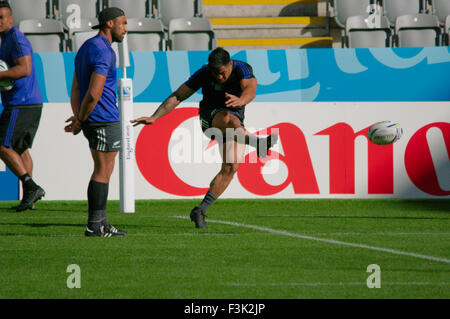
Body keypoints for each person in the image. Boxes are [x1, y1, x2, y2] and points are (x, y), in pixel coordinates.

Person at [132, 47, 278, 229]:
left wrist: (242, 100)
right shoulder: (204, 72)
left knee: (230, 167)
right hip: (210, 121)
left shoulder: (242, 68)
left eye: (222, 73)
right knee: (228, 118)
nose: (219, 77)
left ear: (230, 64)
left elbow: (251, 89)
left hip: (235, 127)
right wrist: (155, 116)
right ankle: (259, 143)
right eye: (215, 73)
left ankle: (200, 210)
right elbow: (178, 96)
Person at [64, 7, 128, 237]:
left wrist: (78, 116)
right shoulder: (105, 51)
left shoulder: (86, 48)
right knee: (102, 170)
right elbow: (93, 93)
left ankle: (102, 222)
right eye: (123, 23)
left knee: (104, 169)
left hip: (94, 118)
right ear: (109, 24)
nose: (125, 29)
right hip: (103, 118)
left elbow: (75, 88)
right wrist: (80, 119)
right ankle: (94, 225)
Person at [0, 1, 45, 212]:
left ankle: (30, 186)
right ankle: (30, 200)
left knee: (2, 146)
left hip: (22, 102)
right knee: (20, 149)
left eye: (1, 17)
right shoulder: (6, 39)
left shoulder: (16, 38)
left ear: (11, 18)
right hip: (28, 102)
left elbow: (24, 69)